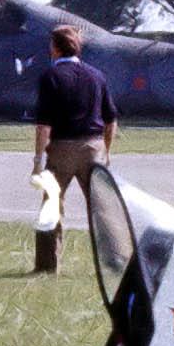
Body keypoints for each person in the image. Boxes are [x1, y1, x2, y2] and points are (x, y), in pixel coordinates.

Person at [31, 25, 117, 273]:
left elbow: (43, 126)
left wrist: (38, 159)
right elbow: (111, 120)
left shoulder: (51, 76)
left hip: (61, 148)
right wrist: (106, 151)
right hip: (93, 146)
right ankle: (115, 261)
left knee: (52, 205)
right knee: (102, 208)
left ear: (55, 48)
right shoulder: (96, 75)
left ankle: (47, 265)